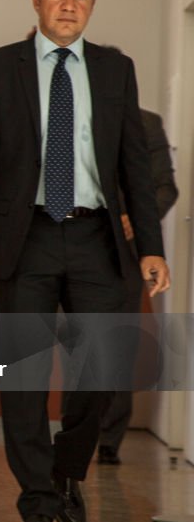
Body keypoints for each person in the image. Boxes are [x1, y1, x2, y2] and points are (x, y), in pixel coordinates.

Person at [0, 0, 170, 522]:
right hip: (24, 238)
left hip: (99, 238)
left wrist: (149, 246)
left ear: (92, 3)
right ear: (36, 0)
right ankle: (36, 505)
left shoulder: (114, 69)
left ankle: (67, 471)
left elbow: (133, 165)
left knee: (101, 371)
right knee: (22, 378)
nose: (69, 3)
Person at [96, 104, 177, 464]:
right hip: (78, 242)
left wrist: (136, 220)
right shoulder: (70, 113)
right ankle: (75, 435)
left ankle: (110, 439)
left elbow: (165, 188)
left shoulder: (146, 123)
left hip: (126, 251)